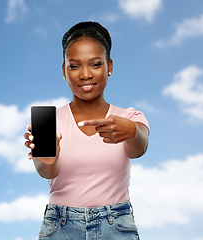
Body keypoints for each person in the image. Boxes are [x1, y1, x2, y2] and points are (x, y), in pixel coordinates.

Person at [23, 21, 149, 240]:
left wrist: (131, 132)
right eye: (74, 66)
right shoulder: (48, 121)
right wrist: (47, 158)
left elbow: (139, 148)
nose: (85, 74)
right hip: (61, 225)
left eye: (95, 64)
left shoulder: (129, 117)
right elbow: (47, 173)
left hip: (116, 224)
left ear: (109, 66)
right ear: (64, 70)